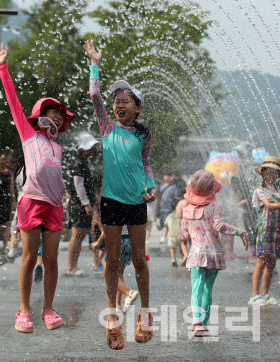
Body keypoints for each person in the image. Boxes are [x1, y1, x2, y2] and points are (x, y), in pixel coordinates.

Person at [0, 42, 74, 333]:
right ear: (41, 115)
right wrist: (2, 67)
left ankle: (48, 308)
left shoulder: (58, 147)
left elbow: (55, 176)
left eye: (60, 115)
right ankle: (24, 310)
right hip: (31, 202)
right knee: (29, 258)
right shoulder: (29, 135)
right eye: (52, 112)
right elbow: (13, 101)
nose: (57, 117)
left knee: (51, 260)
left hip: (53, 206)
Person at [85, 40, 157, 350]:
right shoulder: (107, 128)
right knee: (112, 261)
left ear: (137, 107)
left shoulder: (143, 134)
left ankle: (145, 314)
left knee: (139, 260)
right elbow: (93, 96)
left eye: (126, 100)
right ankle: (113, 318)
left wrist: (151, 186)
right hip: (112, 200)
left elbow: (146, 164)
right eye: (116, 100)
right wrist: (94, 64)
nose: (119, 104)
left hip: (137, 202)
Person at [178, 170, 248, 340]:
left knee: (197, 289)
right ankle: (205, 325)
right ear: (211, 191)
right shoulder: (214, 206)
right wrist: (239, 231)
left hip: (196, 254)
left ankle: (197, 324)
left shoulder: (187, 209)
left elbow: (183, 236)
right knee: (208, 290)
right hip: (214, 254)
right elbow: (220, 226)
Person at [248, 156, 280, 306]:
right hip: (265, 228)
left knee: (272, 262)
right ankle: (254, 295)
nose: (271, 175)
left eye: (274, 172)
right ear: (263, 174)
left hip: (276, 228)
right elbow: (268, 205)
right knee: (261, 260)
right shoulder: (260, 190)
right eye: (268, 172)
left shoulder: (279, 190)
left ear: (278, 175)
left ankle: (264, 294)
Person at [65, 132, 99, 276]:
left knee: (80, 235)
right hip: (78, 205)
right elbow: (78, 185)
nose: (94, 149)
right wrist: (86, 203)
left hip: (81, 204)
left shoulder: (84, 161)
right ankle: (71, 267)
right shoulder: (78, 162)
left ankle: (74, 266)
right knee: (77, 236)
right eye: (91, 147)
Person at [91, 226, 139, 313]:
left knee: (107, 272)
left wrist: (98, 242)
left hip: (118, 240)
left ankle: (128, 293)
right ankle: (118, 305)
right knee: (119, 273)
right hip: (129, 241)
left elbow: (108, 226)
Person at [164, 198, 184, 267]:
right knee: (181, 248)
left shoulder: (169, 216)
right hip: (180, 234)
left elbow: (166, 227)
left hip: (172, 235)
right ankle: (182, 259)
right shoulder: (180, 216)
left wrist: (164, 236)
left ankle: (173, 260)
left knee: (173, 248)